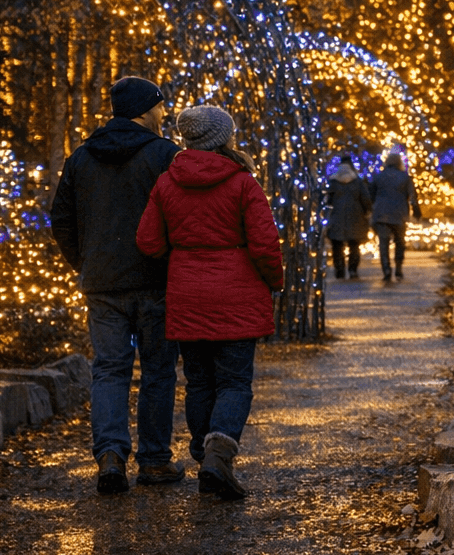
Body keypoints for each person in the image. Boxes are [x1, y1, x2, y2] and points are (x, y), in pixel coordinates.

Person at [135, 106, 283, 500]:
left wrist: (183, 256)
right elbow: (265, 244)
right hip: (236, 293)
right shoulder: (242, 184)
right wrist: (274, 281)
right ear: (224, 138)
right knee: (234, 381)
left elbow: (148, 241)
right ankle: (219, 455)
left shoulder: (167, 182)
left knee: (198, 381)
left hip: (187, 293)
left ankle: (206, 459)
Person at [49, 76, 183, 495]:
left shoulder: (82, 156)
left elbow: (62, 220)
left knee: (108, 369)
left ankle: (110, 455)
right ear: (144, 110)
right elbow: (181, 217)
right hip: (155, 279)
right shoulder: (165, 155)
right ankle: (155, 461)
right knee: (158, 371)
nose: (165, 114)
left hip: (102, 282)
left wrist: (84, 262)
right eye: (160, 107)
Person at [368, 153, 421, 282]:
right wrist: (416, 210)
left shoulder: (378, 177)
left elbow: (371, 196)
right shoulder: (405, 178)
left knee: (383, 244)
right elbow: (412, 196)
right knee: (399, 242)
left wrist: (370, 211)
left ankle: (386, 269)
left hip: (382, 214)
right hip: (399, 214)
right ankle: (398, 267)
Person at [326, 157, 372, 279]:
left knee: (337, 246)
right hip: (355, 217)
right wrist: (368, 211)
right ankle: (353, 269)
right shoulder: (357, 181)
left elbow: (327, 201)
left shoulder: (333, 182)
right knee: (354, 245)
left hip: (337, 216)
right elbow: (365, 198)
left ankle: (339, 269)